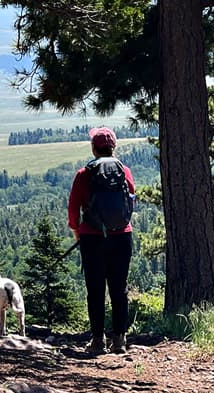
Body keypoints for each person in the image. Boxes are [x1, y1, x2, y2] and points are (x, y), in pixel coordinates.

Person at [68, 127, 135, 354]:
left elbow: (73, 209)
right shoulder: (124, 171)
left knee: (95, 290)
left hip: (92, 238)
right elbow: (131, 201)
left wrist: (77, 231)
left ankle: (97, 341)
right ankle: (119, 340)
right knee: (119, 289)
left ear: (93, 148)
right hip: (122, 236)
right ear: (113, 147)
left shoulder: (83, 174)